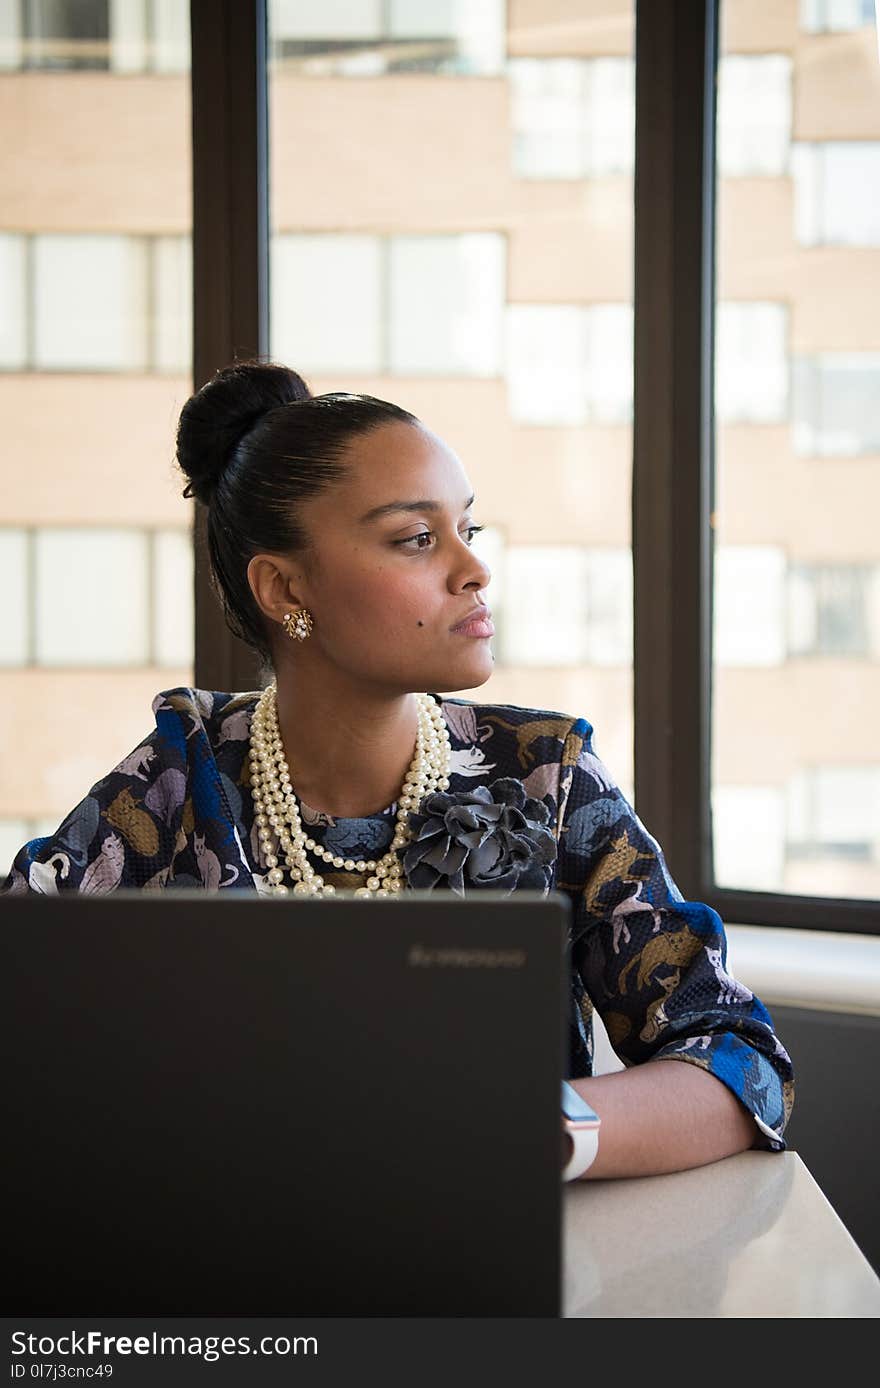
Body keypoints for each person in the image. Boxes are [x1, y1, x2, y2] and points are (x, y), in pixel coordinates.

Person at [2, 359, 794, 1179]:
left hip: (491, 1271)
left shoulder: (545, 779)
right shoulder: (178, 778)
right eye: (417, 538)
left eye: (468, 530)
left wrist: (523, 1130)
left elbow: (741, 1066)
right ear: (283, 587)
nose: (472, 568)